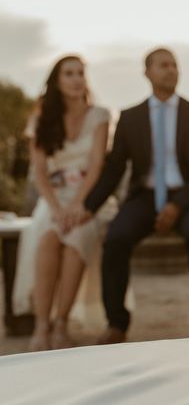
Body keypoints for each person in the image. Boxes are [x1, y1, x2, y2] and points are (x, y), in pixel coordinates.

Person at [80, 47, 189, 345]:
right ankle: (116, 324)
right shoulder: (130, 118)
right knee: (116, 239)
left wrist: (176, 205)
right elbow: (115, 168)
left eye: (174, 65)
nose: (171, 70)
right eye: (163, 65)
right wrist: (88, 206)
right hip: (144, 196)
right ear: (147, 73)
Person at [12, 55, 110, 351]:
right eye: (69, 73)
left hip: (88, 198)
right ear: (57, 80)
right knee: (47, 237)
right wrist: (56, 209)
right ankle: (41, 324)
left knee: (75, 240)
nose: (77, 78)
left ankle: (61, 323)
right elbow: (40, 173)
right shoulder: (41, 119)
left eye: (81, 73)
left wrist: (78, 206)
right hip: (52, 198)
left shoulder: (100, 115)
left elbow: (96, 166)